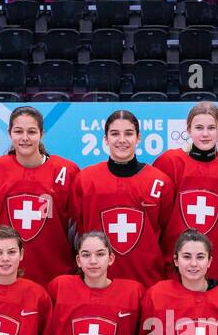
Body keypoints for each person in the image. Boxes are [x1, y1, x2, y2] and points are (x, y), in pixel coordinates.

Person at [69, 110, 175, 287]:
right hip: (98, 284)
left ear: (138, 138)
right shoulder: (85, 180)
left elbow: (169, 239)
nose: (122, 140)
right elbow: (77, 234)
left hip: (147, 283)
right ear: (105, 139)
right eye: (115, 134)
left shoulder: (159, 182)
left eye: (129, 133)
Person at [0, 106, 80, 286]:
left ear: (42, 134)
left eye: (32, 132)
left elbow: (75, 228)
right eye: (18, 131)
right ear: (9, 133)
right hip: (5, 277)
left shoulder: (67, 171)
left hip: (54, 276)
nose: (25, 138)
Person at [153, 102, 218, 279]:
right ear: (188, 129)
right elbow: (157, 217)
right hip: (178, 266)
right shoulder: (170, 162)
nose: (205, 134)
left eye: (211, 128)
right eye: (199, 127)